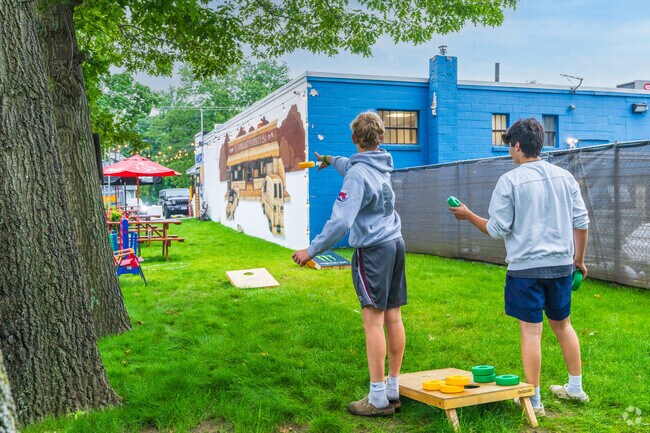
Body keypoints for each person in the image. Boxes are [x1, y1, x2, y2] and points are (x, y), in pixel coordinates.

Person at [449, 118, 590, 416]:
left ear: (517, 145)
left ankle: (534, 400)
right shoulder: (565, 177)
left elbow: (497, 229)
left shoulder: (510, 181)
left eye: (509, 147)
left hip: (526, 269)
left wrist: (468, 215)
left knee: (531, 333)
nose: (509, 153)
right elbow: (582, 223)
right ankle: (575, 389)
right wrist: (578, 260)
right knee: (563, 325)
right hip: (562, 267)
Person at [292, 111, 407, 417]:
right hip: (395, 243)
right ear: (379, 138)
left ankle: (378, 397)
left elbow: (341, 220)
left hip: (374, 250)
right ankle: (393, 387)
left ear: (355, 138)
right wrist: (329, 159)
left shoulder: (358, 174)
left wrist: (311, 250)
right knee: (393, 316)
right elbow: (351, 163)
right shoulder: (381, 164)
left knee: (373, 320)